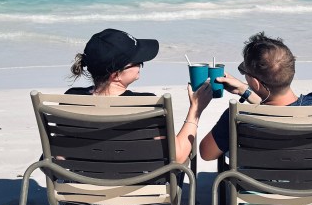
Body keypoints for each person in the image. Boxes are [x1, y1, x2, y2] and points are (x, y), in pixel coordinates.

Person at [66, 27, 212, 162]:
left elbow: (59, 156)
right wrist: (195, 109)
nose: (141, 64)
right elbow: (178, 156)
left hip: (82, 186)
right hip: (139, 187)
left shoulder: (70, 99)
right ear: (116, 75)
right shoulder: (147, 104)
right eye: (137, 62)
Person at [199, 31, 312, 161]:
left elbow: (207, 154)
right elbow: (281, 110)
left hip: (259, 185)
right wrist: (245, 91)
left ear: (256, 83)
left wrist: (196, 109)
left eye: (244, 71)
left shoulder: (238, 116)